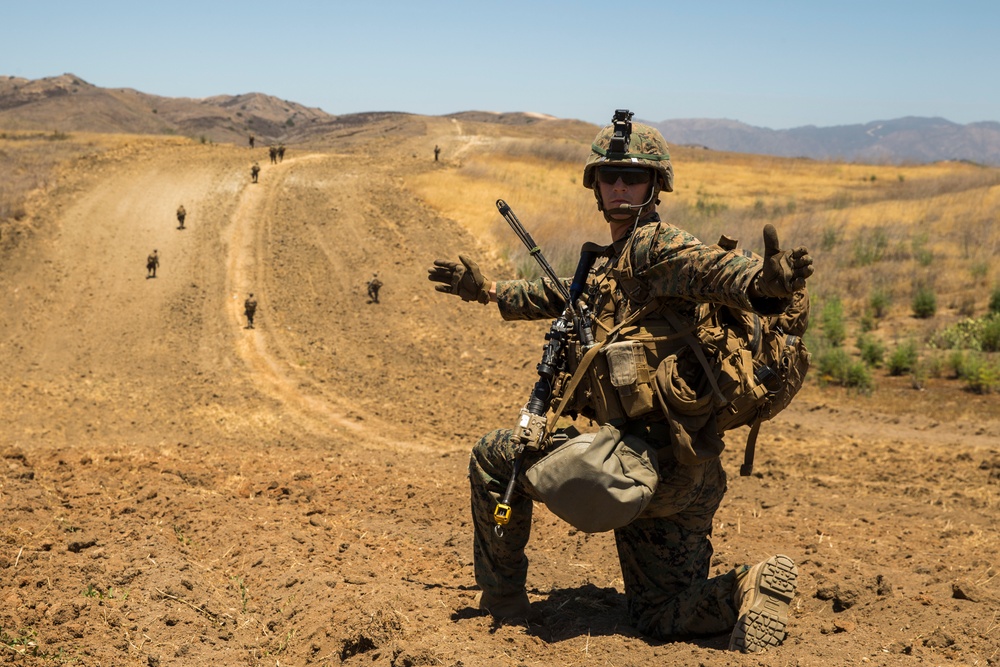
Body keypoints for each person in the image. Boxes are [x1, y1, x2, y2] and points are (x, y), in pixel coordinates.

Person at [427, 111, 813, 653]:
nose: (619, 186)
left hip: (636, 469)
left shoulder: (658, 249)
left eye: (632, 177)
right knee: (657, 615)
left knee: (496, 457)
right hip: (691, 475)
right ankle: (743, 588)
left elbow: (711, 269)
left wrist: (762, 285)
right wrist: (490, 290)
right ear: (596, 187)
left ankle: (504, 607)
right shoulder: (614, 264)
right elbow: (563, 294)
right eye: (609, 177)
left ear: (656, 186)